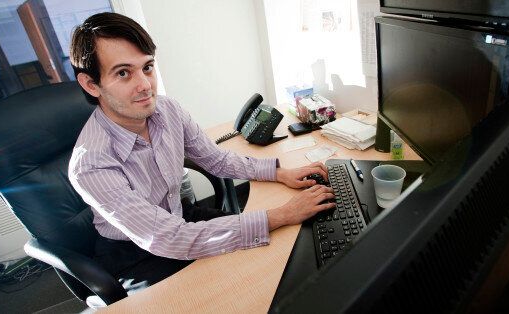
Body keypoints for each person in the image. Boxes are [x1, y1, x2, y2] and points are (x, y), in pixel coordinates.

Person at [68, 12, 334, 282]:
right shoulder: (90, 164)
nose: (145, 85)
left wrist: (279, 173)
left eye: (147, 67)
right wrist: (283, 213)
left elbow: (215, 159)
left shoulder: (167, 109)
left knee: (270, 257)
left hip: (180, 215)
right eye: (123, 73)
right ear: (91, 85)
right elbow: (169, 238)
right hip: (133, 251)